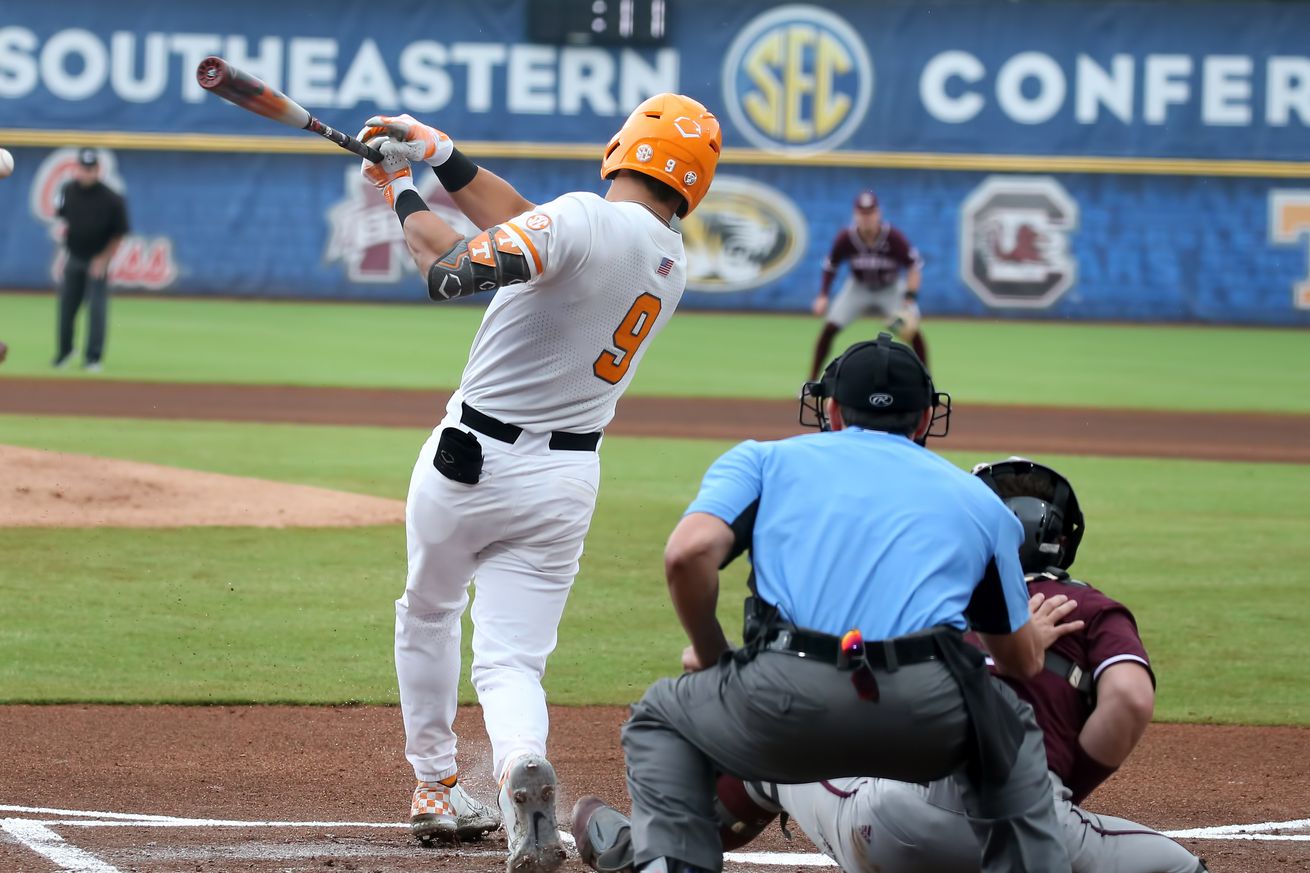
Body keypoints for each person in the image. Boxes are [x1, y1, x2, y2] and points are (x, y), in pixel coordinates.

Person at [356, 93, 720, 873]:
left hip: (470, 459)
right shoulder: (666, 257)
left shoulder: (584, 219)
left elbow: (451, 270)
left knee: (428, 609)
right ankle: (521, 758)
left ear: (623, 144)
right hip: (565, 478)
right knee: (513, 658)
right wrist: (438, 151)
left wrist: (399, 190)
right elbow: (530, 219)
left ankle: (437, 786)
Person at [573, 459, 1205, 873]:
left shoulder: (925, 588)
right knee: (1180, 868)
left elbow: (831, 673)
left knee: (777, 750)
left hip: (899, 827)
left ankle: (642, 853)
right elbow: (1129, 700)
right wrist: (1059, 790)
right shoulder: (1092, 609)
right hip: (1038, 831)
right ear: (1065, 540)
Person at [605, 333, 1070, 873]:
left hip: (784, 699)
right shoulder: (981, 502)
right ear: (924, 421)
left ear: (830, 409)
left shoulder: (762, 461)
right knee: (1008, 733)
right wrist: (1032, 635)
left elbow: (687, 555)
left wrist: (712, 655)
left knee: (663, 718)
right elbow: (1019, 662)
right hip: (929, 714)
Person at [809, 191, 925, 380]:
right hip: (858, 287)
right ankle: (811, 381)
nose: (866, 217)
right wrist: (823, 294)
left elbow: (914, 266)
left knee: (913, 332)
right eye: (862, 213)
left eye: (870, 212)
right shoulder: (846, 238)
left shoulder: (893, 237)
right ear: (855, 214)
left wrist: (909, 299)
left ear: (878, 213)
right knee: (829, 328)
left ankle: (926, 384)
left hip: (891, 288)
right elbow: (831, 266)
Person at [54, 148, 129, 372]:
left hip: (97, 260)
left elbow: (119, 233)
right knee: (67, 308)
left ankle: (93, 358)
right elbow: (64, 220)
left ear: (98, 169)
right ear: (77, 168)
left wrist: (104, 259)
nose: (87, 173)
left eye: (91, 168)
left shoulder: (112, 199)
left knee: (97, 311)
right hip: (74, 257)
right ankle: (64, 353)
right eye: (83, 168)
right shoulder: (68, 191)